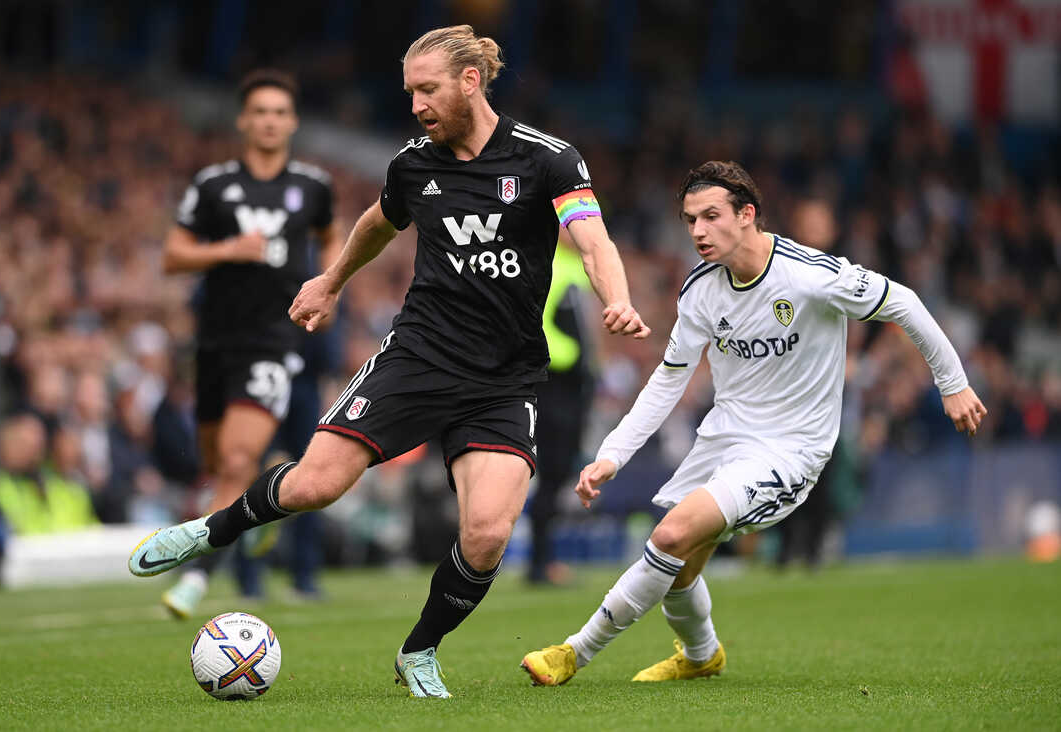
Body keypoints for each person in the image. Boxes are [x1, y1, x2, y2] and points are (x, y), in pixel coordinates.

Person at [130, 25, 651, 699]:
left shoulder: (547, 159)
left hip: (504, 377)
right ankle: (211, 531)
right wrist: (331, 281)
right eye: (409, 92)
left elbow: (592, 237)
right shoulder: (414, 165)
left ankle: (419, 650)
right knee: (315, 486)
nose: (415, 104)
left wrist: (618, 300)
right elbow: (378, 221)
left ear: (470, 81)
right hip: (419, 356)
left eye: (427, 89)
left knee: (488, 534)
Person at [520, 161, 986, 686]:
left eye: (711, 216)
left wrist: (954, 384)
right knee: (679, 565)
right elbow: (669, 380)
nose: (697, 231)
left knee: (670, 535)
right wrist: (612, 454)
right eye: (690, 219)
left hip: (790, 450)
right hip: (724, 441)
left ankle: (573, 653)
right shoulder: (699, 290)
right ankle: (702, 655)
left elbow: (903, 302)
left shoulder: (812, 275)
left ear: (747, 214)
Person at [157, 68, 341, 618]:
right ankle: (266, 506)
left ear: (293, 122)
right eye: (259, 111)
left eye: (279, 112)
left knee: (237, 458)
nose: (269, 121)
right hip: (214, 341)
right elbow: (172, 255)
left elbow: (331, 236)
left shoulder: (313, 185)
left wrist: (329, 286)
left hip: (274, 339)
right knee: (218, 464)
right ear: (243, 120)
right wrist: (228, 250)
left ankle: (195, 578)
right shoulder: (213, 184)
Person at [527, 231, 596, 585]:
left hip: (570, 386)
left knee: (556, 476)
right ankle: (539, 563)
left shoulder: (576, 268)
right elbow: (541, 327)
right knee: (550, 474)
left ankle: (545, 560)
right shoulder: (549, 263)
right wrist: (574, 357)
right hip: (554, 384)